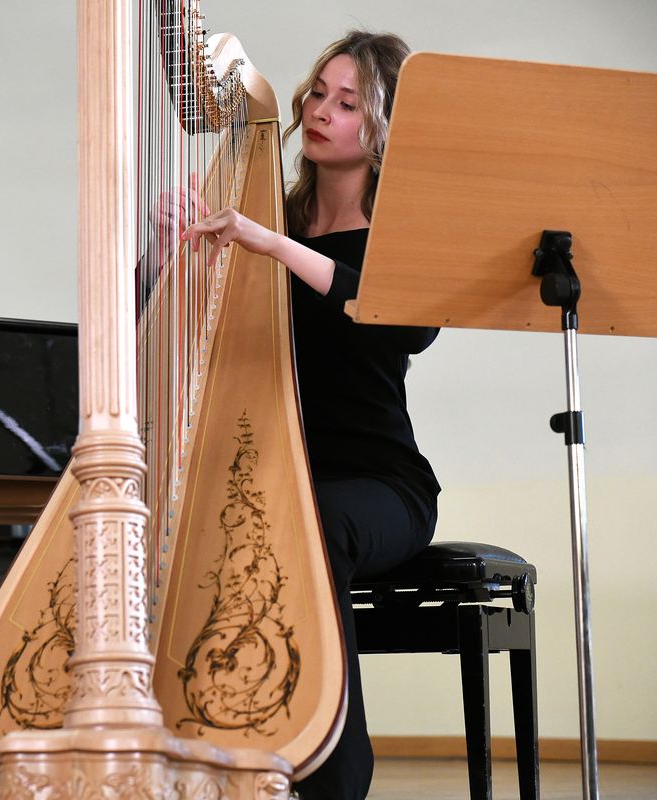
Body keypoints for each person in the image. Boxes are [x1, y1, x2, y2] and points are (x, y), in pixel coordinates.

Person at [180, 30, 440, 800]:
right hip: (279, 481)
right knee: (205, 526)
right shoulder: (268, 214)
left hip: (382, 488)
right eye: (318, 94)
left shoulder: (396, 233)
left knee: (310, 524)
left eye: (348, 102)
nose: (322, 112)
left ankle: (335, 777)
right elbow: (172, 323)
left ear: (384, 126)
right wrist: (170, 248)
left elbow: (405, 325)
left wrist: (272, 245)